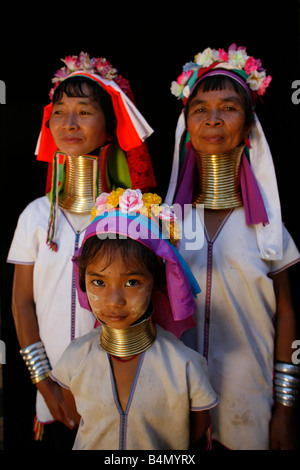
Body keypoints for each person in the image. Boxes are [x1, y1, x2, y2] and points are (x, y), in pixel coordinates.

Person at [7, 52, 156, 447]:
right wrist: (44, 384)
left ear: (110, 126)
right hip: (51, 399)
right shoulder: (36, 216)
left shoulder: (134, 214)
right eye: (59, 112)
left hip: (117, 401)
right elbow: (22, 304)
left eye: (84, 111)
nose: (68, 124)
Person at [165, 44, 300, 450]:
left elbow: (289, 318)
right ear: (187, 125)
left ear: (248, 126)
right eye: (200, 108)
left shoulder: (269, 230)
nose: (213, 119)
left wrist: (285, 412)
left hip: (250, 398)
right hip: (177, 404)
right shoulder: (166, 224)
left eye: (229, 107)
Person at [50, 187, 218, 450]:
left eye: (131, 282)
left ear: (157, 282)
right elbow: (80, 416)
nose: (113, 301)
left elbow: (195, 432)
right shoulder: (75, 359)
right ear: (83, 282)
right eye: (98, 282)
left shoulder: (185, 365)